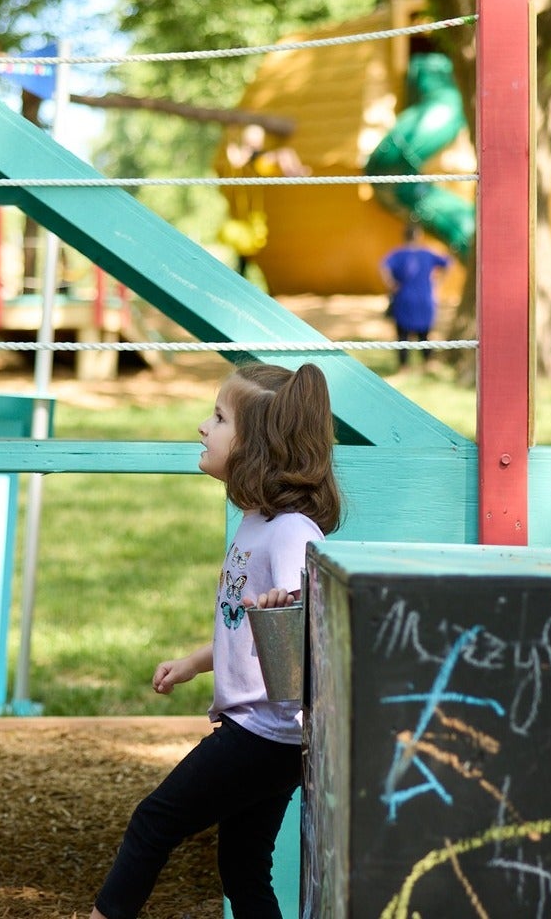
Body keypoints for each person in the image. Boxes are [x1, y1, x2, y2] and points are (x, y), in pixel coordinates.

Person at [88, 362, 342, 919]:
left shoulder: (290, 531)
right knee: (244, 870)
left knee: (153, 822)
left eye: (220, 417)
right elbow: (244, 626)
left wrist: (291, 605)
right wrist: (195, 663)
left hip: (265, 734)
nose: (204, 427)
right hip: (265, 734)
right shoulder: (258, 519)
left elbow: (311, 624)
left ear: (258, 446)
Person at [380, 223, 452, 371]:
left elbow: (383, 266)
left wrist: (391, 284)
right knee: (424, 335)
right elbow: (448, 262)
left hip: (403, 299)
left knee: (403, 336)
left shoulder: (397, 254)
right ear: (419, 236)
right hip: (424, 299)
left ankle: (404, 367)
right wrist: (438, 282)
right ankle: (427, 363)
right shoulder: (427, 253)